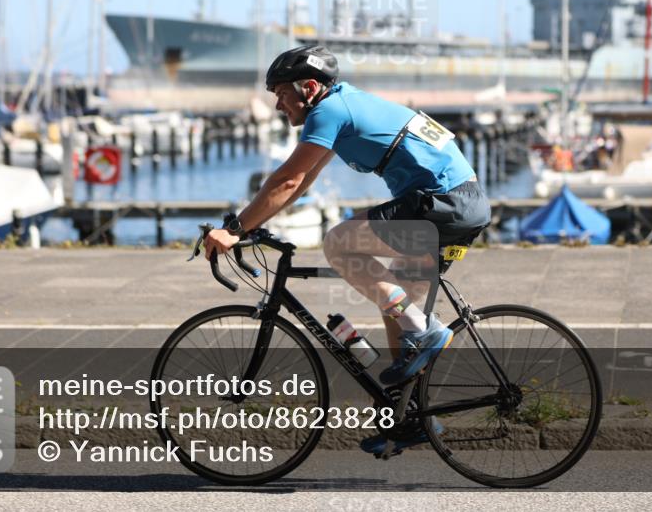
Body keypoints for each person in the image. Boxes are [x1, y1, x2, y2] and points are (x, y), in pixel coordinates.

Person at [203, 45, 491, 453]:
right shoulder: (343, 106)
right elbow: (301, 183)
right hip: (461, 203)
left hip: (444, 202)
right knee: (397, 311)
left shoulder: (330, 111)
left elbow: (287, 180)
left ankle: (427, 333)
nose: (278, 103)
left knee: (340, 243)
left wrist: (234, 228)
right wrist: (252, 224)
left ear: (308, 87)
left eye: (282, 93)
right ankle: (408, 420)